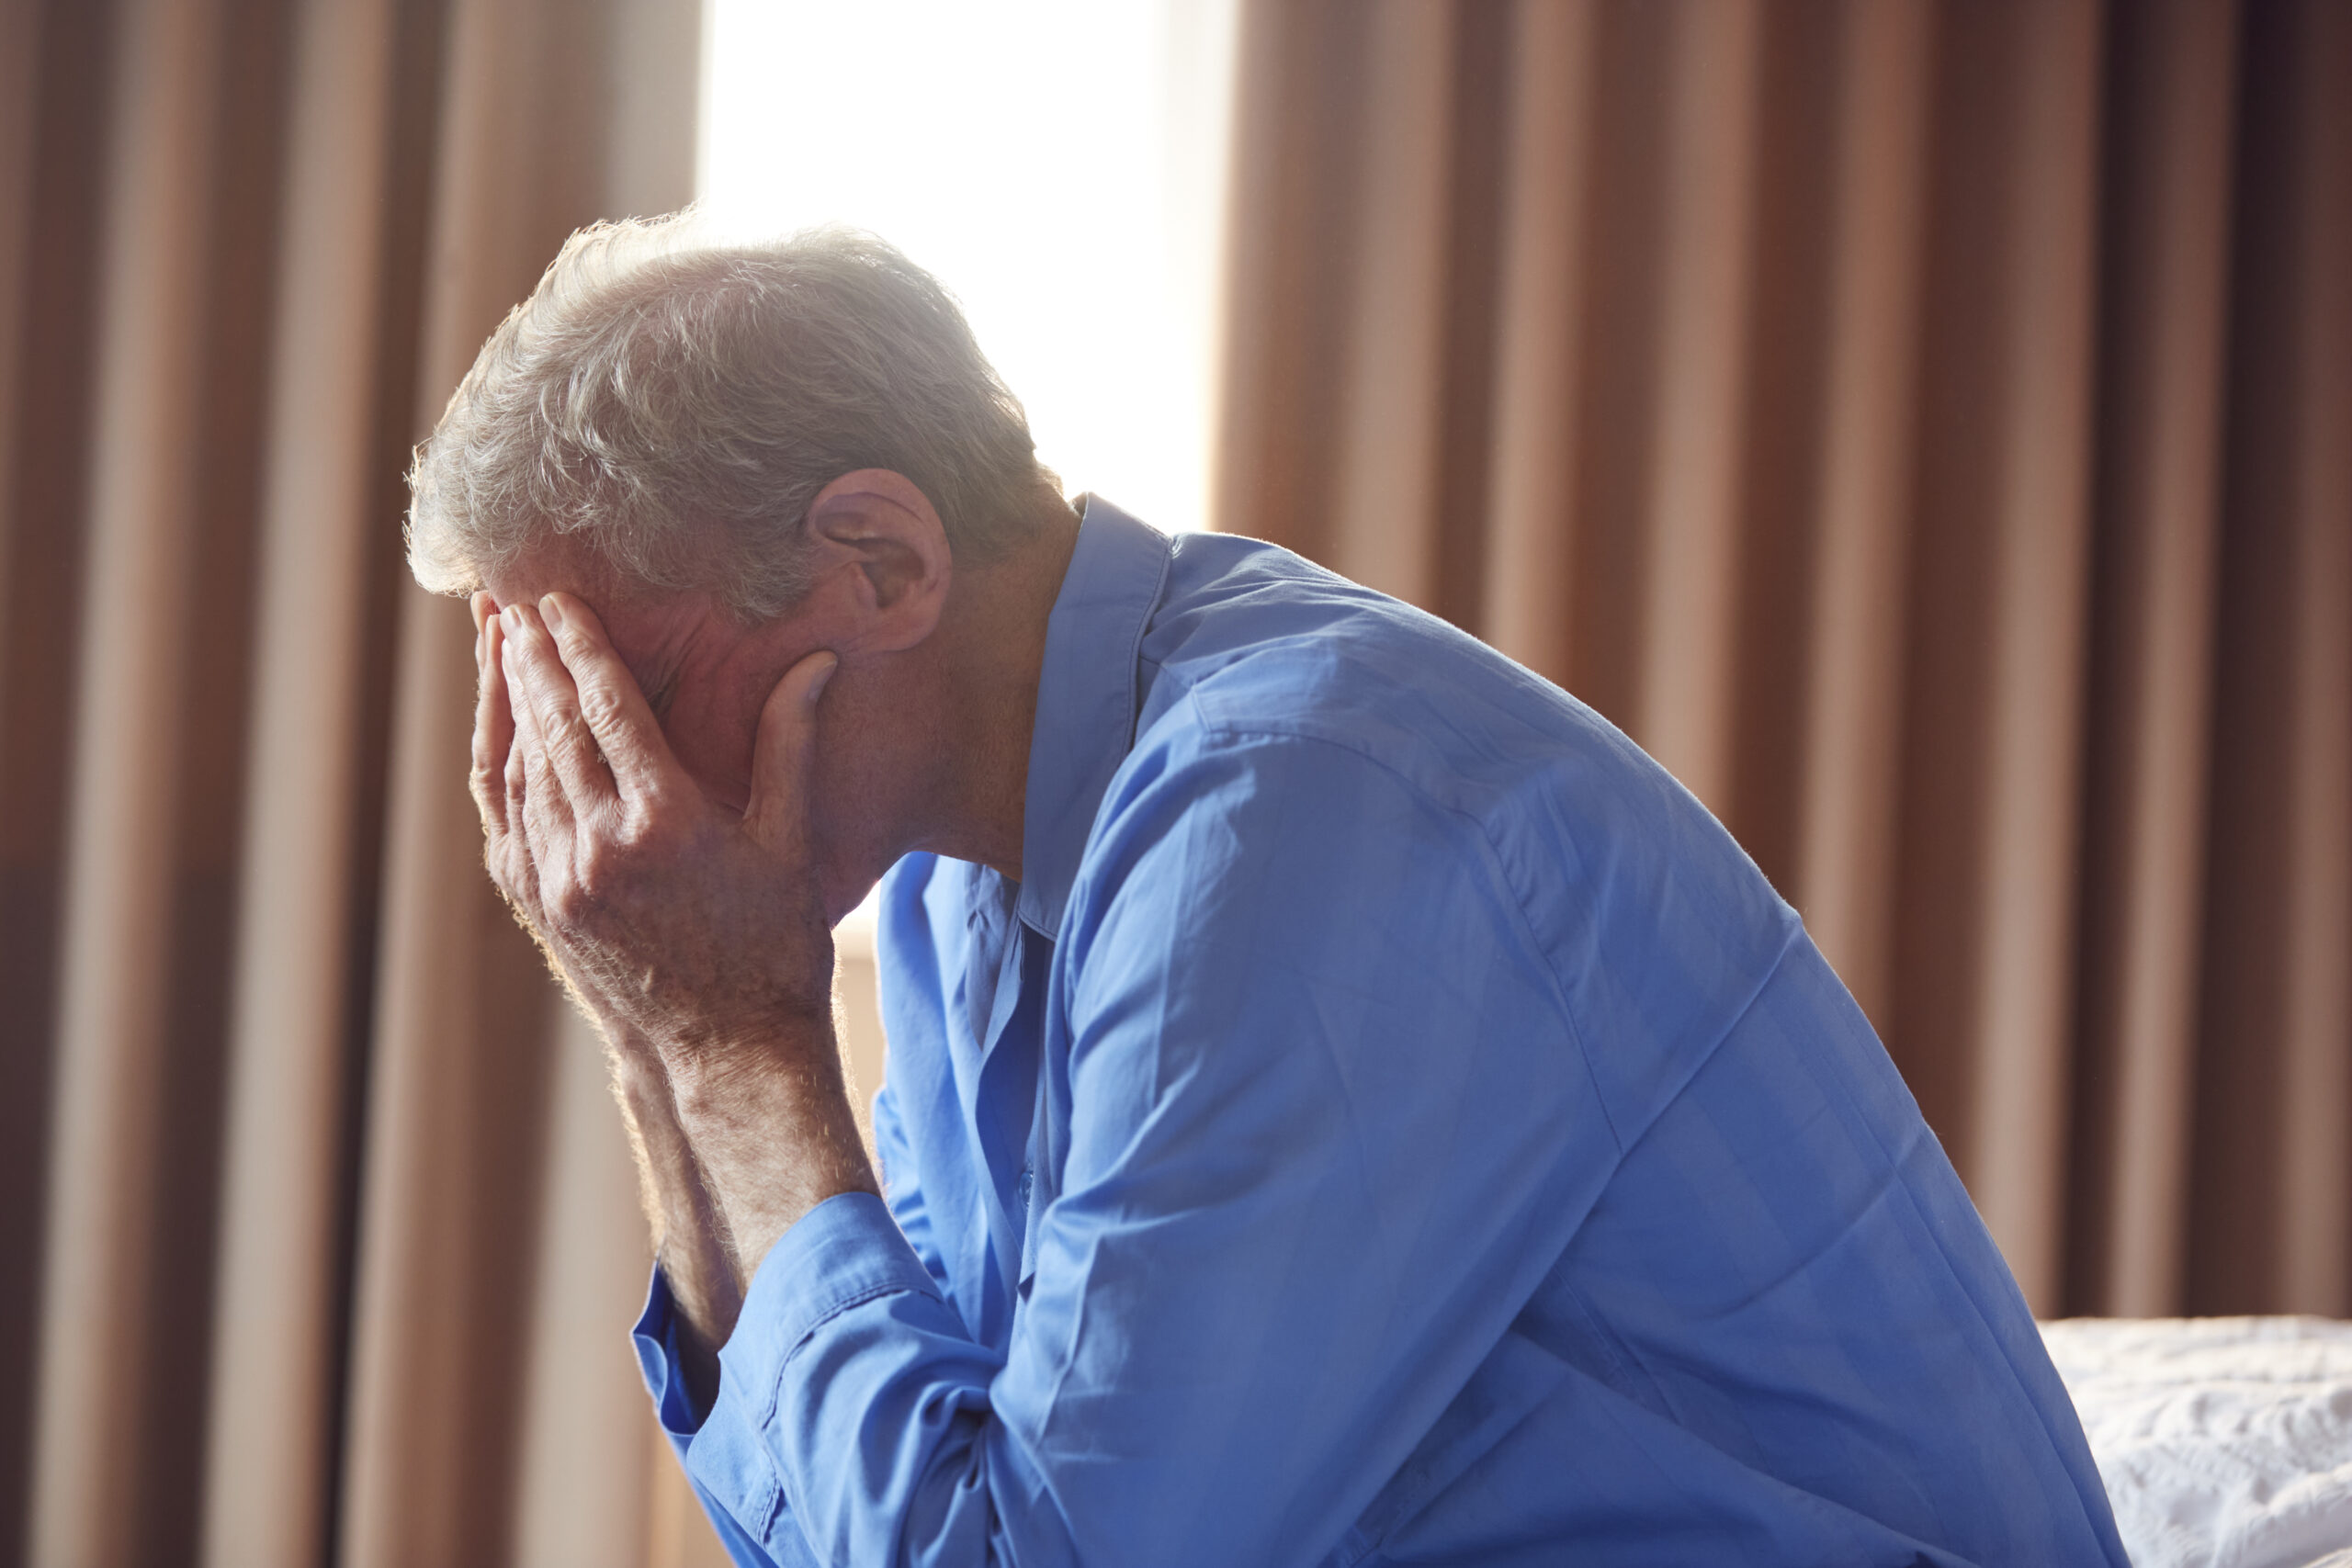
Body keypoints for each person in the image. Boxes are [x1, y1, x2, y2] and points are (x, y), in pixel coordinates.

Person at [408, 215, 2130, 1567]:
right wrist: (654, 1036)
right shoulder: (961, 880)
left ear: (883, 561)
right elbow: (877, 1511)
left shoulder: (1298, 809)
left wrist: (728, 1040)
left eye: (612, 677)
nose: (583, 784)